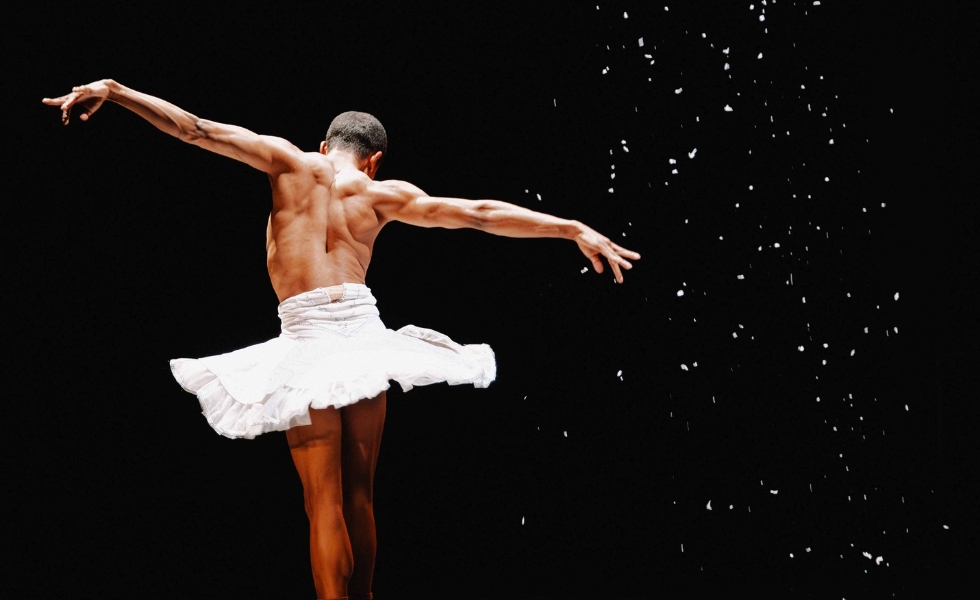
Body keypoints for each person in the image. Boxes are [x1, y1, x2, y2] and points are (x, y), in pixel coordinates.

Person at [43, 79, 641, 600]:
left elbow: (198, 130)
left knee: (321, 502)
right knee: (361, 496)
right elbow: (479, 213)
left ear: (325, 146)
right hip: (361, 336)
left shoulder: (289, 162)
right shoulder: (384, 195)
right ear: (374, 160)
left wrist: (118, 92)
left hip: (306, 339)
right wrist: (570, 227)